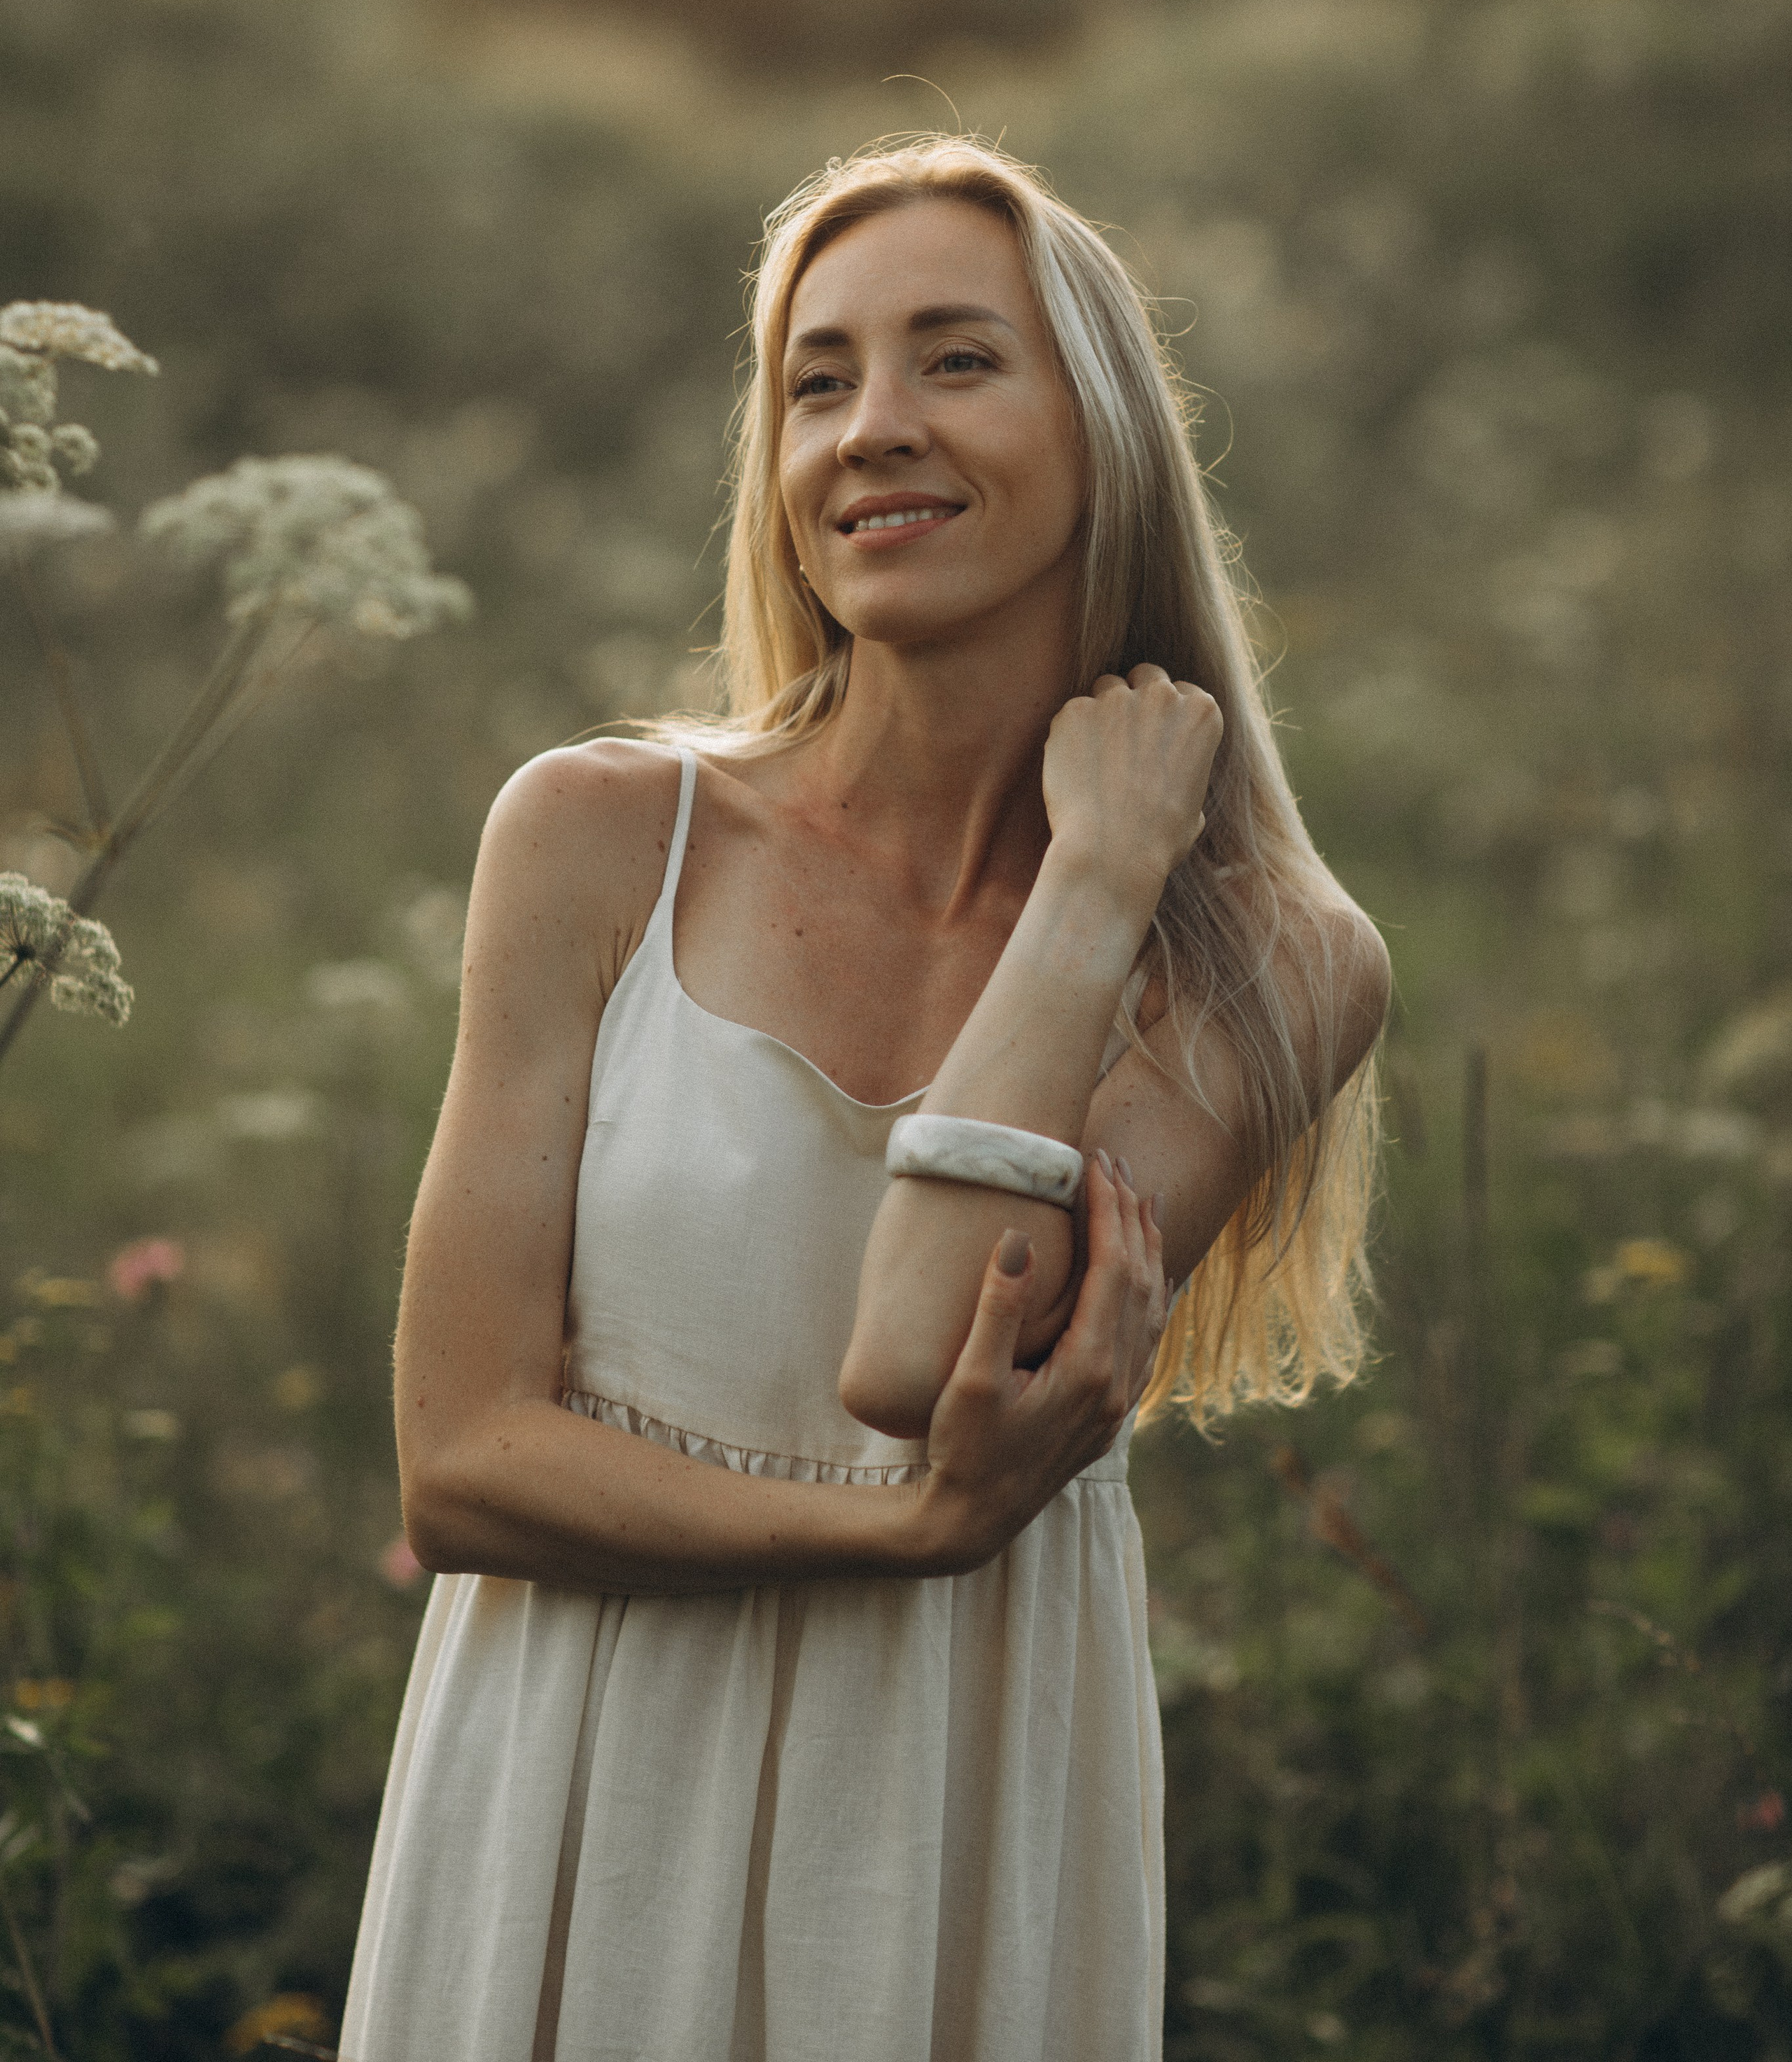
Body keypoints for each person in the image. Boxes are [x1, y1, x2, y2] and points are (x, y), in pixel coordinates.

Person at [341, 137, 1389, 2062]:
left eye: (956, 362)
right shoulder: (594, 837)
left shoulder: (1275, 964)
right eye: (818, 381)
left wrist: (1089, 889)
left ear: (1110, 438)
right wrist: (892, 1539)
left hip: (950, 1790)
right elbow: (464, 1460)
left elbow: (914, 1347)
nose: (871, 429)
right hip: (588, 1771)